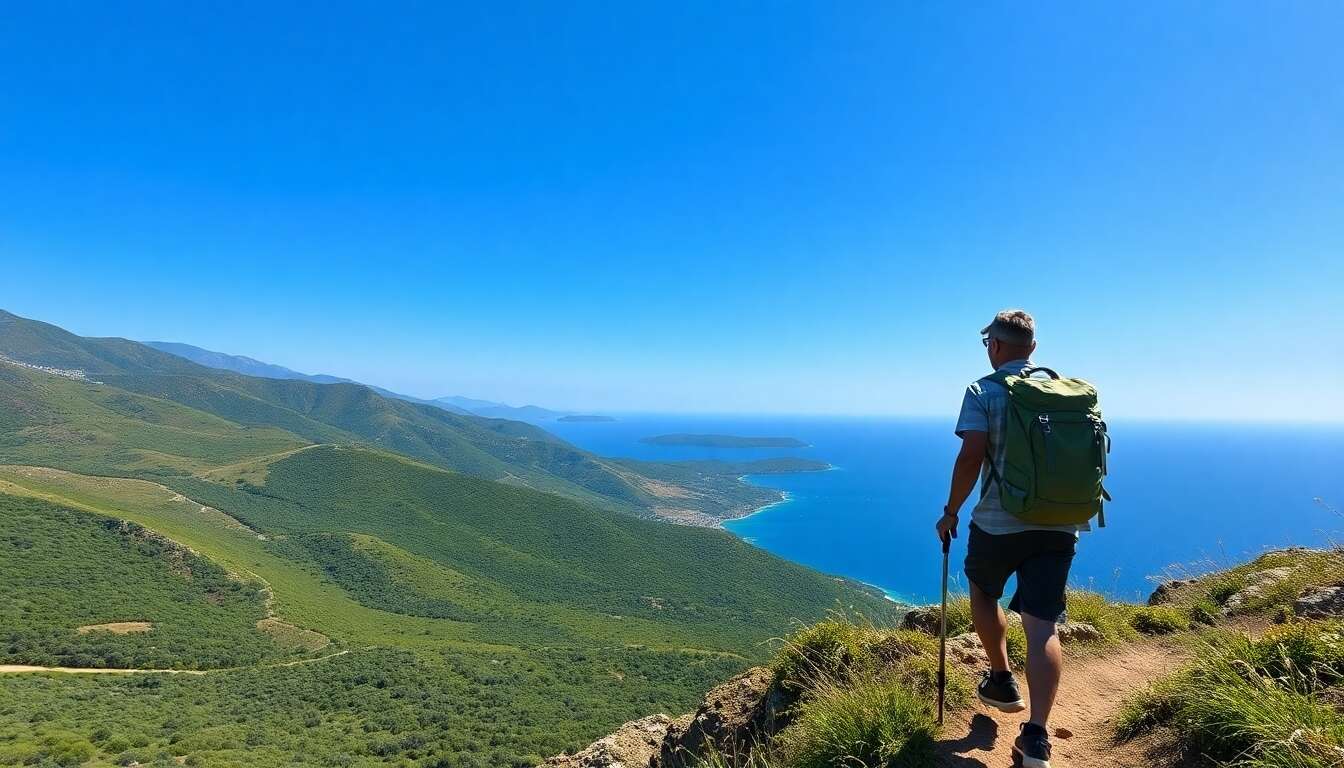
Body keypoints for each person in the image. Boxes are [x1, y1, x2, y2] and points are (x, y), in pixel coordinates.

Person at [936, 309, 1086, 768]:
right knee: (1042, 624)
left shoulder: (983, 390)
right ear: (1033, 349)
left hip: (999, 523)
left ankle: (1001, 679)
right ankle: (1036, 737)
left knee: (983, 593)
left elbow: (971, 456)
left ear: (994, 346)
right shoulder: (1068, 394)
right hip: (1060, 523)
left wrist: (950, 511)